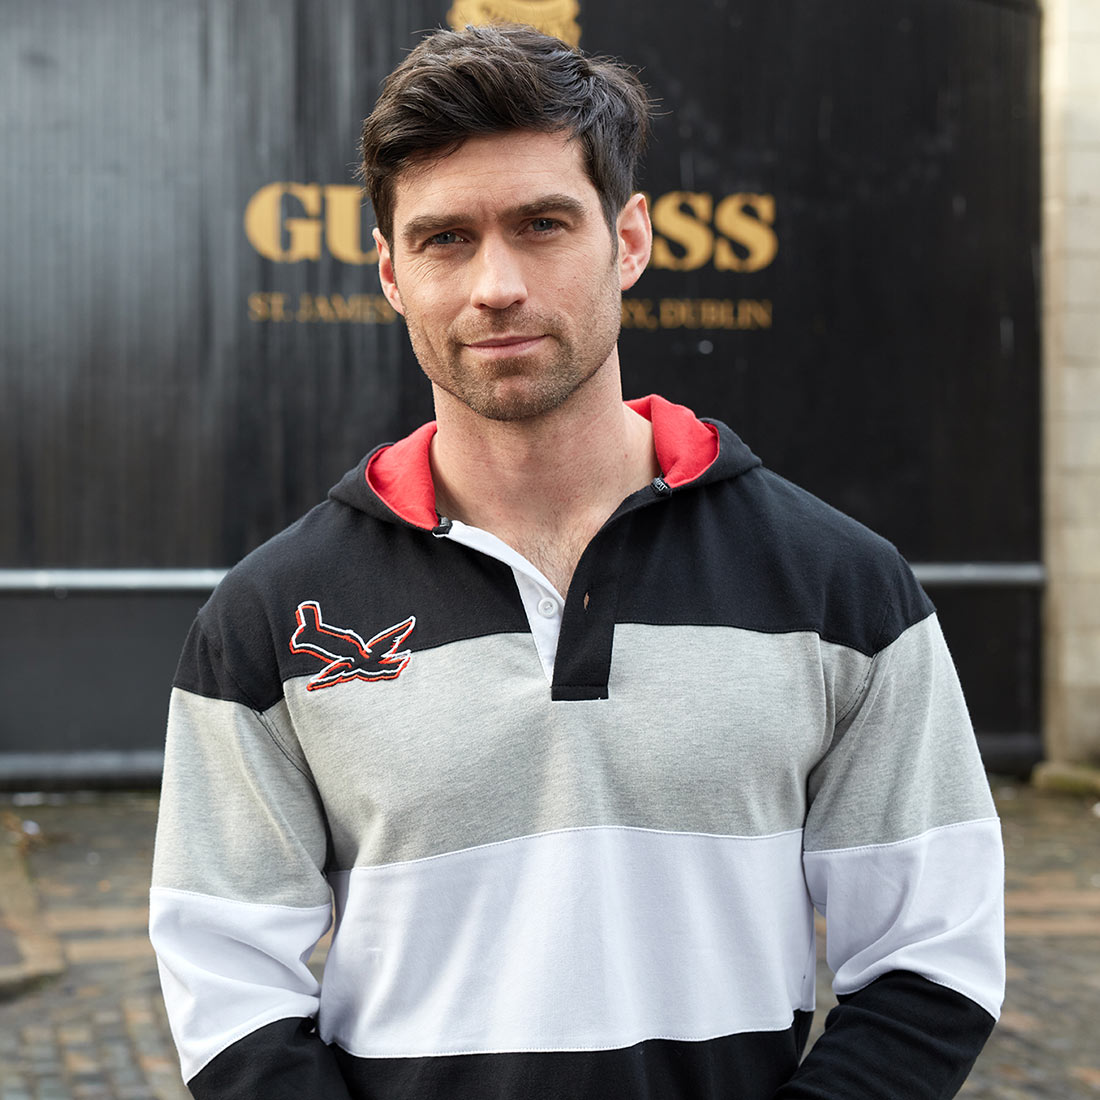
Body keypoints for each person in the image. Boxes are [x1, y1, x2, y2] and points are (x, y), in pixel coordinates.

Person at [150, 23, 1005, 1100]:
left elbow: (933, 956)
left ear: (630, 238)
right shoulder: (269, 617)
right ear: (389, 272)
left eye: (542, 224)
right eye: (444, 239)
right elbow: (225, 980)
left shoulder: (840, 588)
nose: (495, 283)